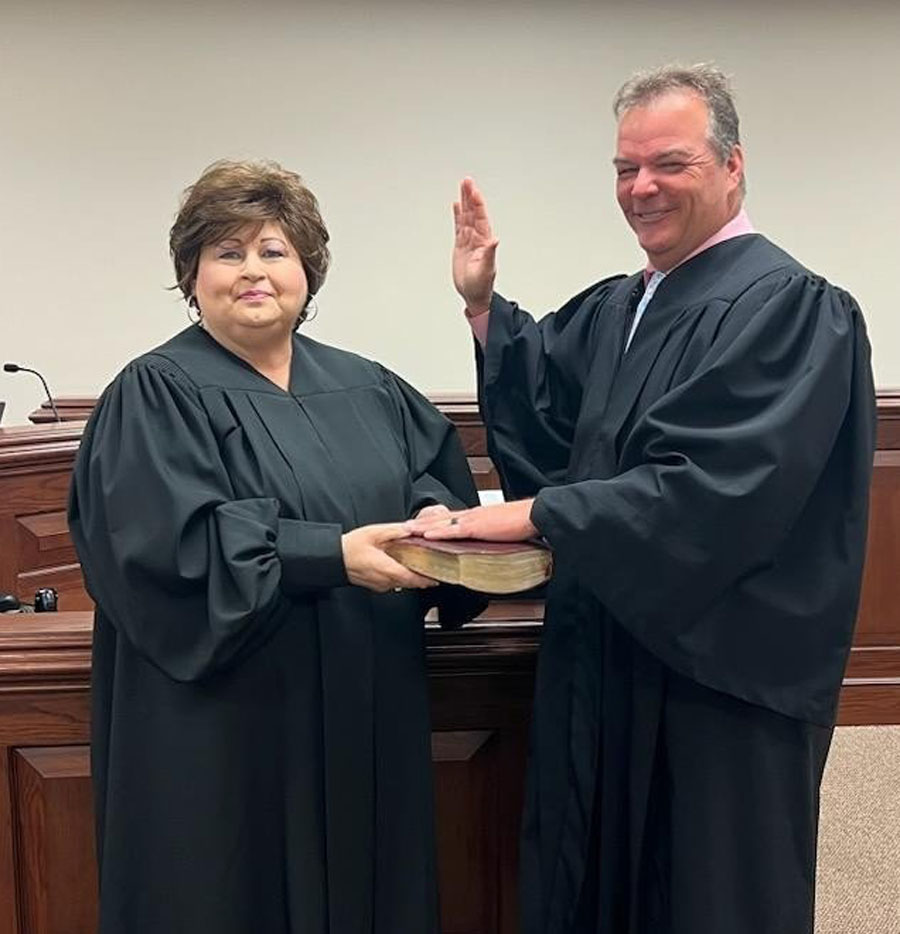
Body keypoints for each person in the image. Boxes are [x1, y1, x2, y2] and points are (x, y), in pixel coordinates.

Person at [407, 64, 876, 934]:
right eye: (626, 168)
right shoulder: (621, 306)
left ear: (733, 165)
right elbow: (555, 423)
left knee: (702, 889)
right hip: (609, 648)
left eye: (670, 163)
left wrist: (536, 514)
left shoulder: (792, 309)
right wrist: (482, 308)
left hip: (717, 677)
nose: (642, 187)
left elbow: (717, 489)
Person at [68, 159, 484, 934]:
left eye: (273, 250)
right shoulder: (154, 394)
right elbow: (168, 548)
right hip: (231, 726)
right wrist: (330, 556)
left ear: (306, 270)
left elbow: (435, 484)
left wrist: (435, 525)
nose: (253, 271)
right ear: (192, 275)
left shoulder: (369, 387)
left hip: (366, 706)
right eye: (227, 252)